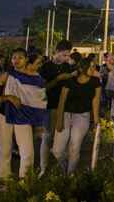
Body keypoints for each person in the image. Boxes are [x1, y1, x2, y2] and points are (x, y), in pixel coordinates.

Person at [0, 48, 47, 181]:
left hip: (23, 117)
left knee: (27, 152)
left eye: (20, 57)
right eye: (14, 57)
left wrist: (39, 123)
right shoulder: (8, 75)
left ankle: (25, 182)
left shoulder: (36, 79)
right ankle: (3, 182)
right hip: (4, 115)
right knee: (4, 151)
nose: (16, 60)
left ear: (26, 60)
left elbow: (39, 101)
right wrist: (9, 97)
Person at [53, 57, 100, 174]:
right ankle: (63, 168)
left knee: (74, 147)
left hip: (82, 116)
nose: (93, 69)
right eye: (90, 67)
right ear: (81, 68)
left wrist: (96, 121)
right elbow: (62, 101)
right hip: (66, 114)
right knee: (57, 150)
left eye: (94, 67)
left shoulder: (95, 82)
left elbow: (95, 101)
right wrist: (59, 120)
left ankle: (70, 175)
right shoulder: (70, 81)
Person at [39, 40, 77, 174]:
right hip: (49, 105)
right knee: (47, 136)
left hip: (65, 107)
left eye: (68, 55)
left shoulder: (68, 67)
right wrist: (57, 79)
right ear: (56, 52)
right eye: (64, 55)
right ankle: (43, 168)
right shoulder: (46, 67)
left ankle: (61, 169)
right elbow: (41, 88)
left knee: (62, 138)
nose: (66, 58)